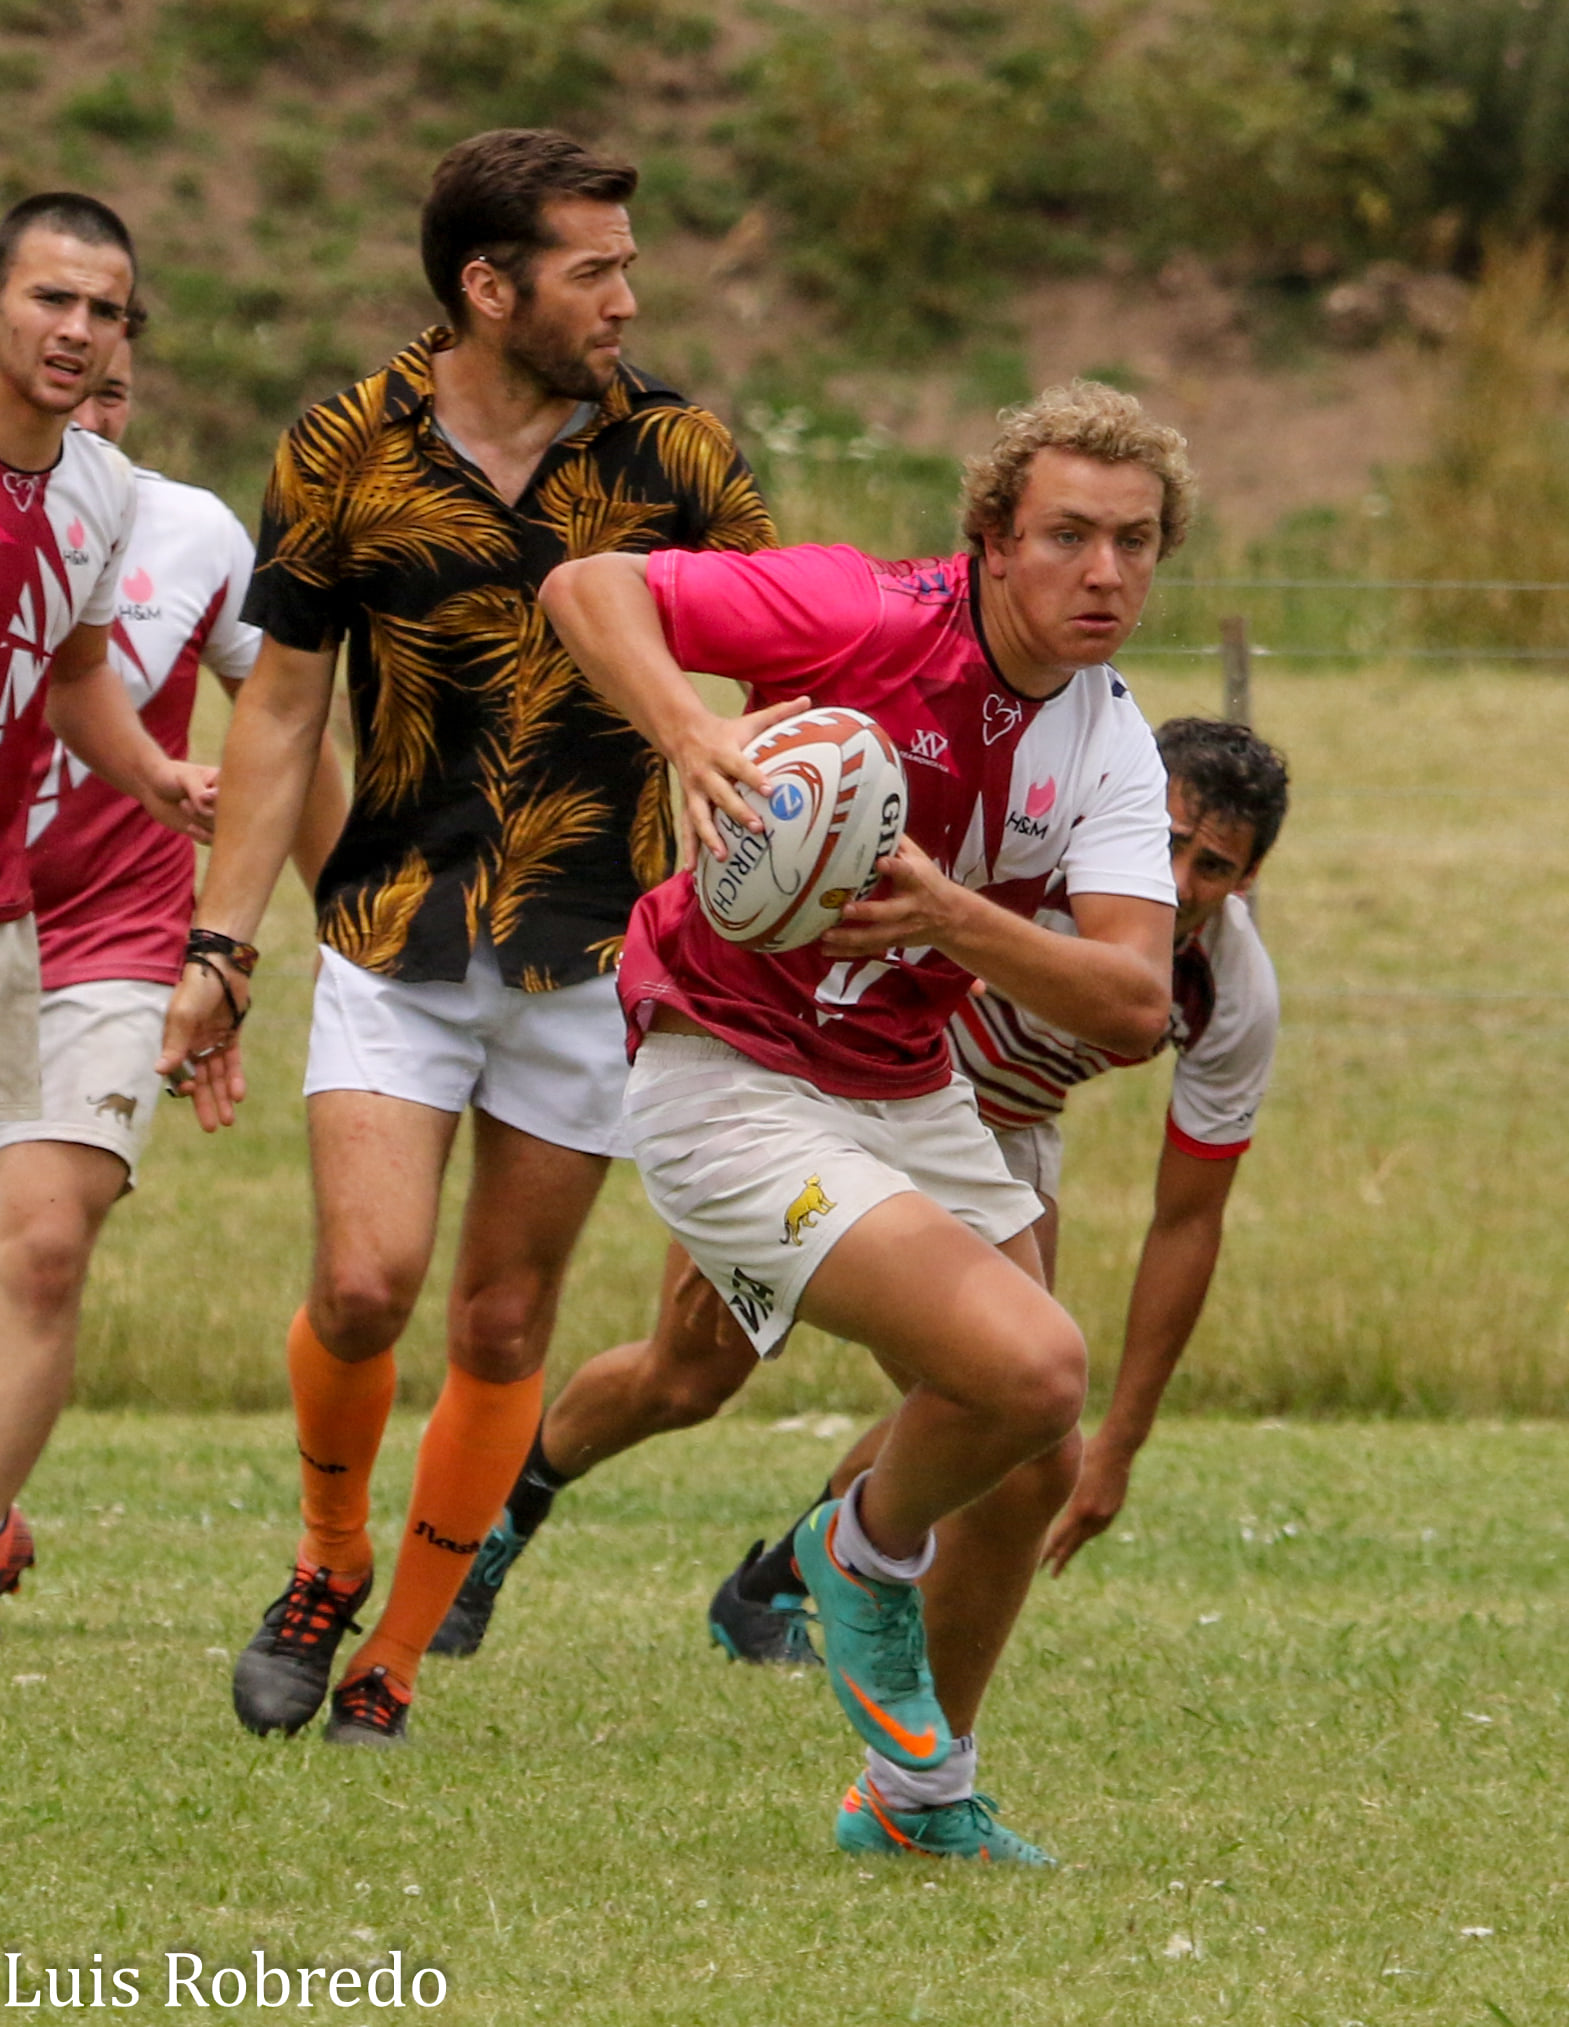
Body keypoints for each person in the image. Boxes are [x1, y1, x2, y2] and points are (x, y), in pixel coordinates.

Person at [156, 128, 775, 1747]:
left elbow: (790, 657)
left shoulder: (683, 459)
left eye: (628, 265)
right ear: (487, 288)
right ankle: (326, 1557)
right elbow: (283, 708)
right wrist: (223, 944)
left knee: (502, 1323)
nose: (626, 297)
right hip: (392, 931)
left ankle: (395, 1660)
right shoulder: (342, 445)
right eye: (593, 270)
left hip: (588, 954)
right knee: (364, 1284)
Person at [532, 378, 1187, 1861]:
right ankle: (857, 1549)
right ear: (992, 539)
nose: (1105, 574)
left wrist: (954, 918)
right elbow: (590, 585)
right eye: (1069, 535)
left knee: (1037, 1453)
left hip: (904, 1083)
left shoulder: (1110, 744)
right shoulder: (867, 612)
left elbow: (1134, 1007)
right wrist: (689, 735)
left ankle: (913, 1798)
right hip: (721, 1068)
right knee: (1031, 1361)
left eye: (1136, 543)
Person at [701, 715, 1288, 1666]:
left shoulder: (1233, 993)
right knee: (687, 1375)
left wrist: (1119, 1446)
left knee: (1012, 1398)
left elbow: (1187, 1220)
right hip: (858, 1085)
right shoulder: (1038, 854)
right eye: (1167, 845)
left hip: (1007, 1133)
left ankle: (788, 1588)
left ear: (1247, 879)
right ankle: (517, 1514)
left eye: (1214, 867)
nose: (1180, 884)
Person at [0, 331, 345, 1605]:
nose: (90, 384)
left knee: (43, 1243)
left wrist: (348, 936)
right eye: (58, 341)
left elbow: (285, 728)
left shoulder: (191, 532)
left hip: (109, 928)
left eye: (115, 365)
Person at [0, 192, 217, 1600]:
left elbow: (75, 667)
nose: (80, 332)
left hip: (10, 914)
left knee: (44, 1242)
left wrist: (158, 779)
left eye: (106, 311)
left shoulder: (98, 489)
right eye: (50, 300)